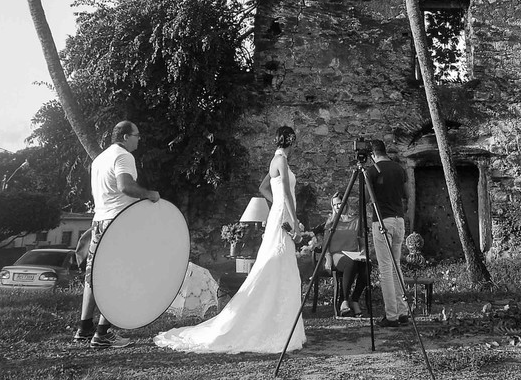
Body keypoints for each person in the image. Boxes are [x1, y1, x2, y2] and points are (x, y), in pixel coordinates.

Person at [155, 126, 306, 353]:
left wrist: (278, 207)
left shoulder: (277, 160)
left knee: (280, 265)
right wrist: (294, 220)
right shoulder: (281, 161)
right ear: (292, 141)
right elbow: (284, 192)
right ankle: (274, 324)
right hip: (282, 216)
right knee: (277, 263)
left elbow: (264, 187)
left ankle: (281, 324)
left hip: (279, 213)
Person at [74, 120, 160, 348]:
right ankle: (103, 333)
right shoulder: (124, 156)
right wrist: (148, 194)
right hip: (118, 223)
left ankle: (84, 328)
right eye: (136, 134)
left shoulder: (101, 158)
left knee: (93, 276)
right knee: (118, 277)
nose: (139, 138)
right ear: (124, 137)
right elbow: (125, 186)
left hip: (99, 221)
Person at [362, 138, 411, 327]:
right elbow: (406, 194)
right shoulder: (399, 169)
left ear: (372, 154)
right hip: (399, 220)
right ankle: (403, 311)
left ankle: (391, 315)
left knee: (385, 269)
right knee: (396, 265)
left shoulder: (372, 171)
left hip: (382, 220)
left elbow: (367, 199)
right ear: (385, 151)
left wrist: (368, 180)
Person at [317, 190, 369, 317]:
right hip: (337, 255)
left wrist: (363, 253)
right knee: (350, 264)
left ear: (346, 204)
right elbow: (326, 244)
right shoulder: (331, 222)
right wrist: (328, 259)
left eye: (340, 203)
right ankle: (344, 300)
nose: (337, 207)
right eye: (334, 205)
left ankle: (355, 299)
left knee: (367, 266)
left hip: (353, 254)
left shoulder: (356, 221)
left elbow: (362, 242)